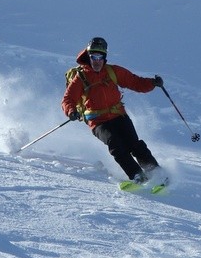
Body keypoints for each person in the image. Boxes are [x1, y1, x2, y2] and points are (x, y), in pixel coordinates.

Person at [61, 37, 166, 183]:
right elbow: (68, 99)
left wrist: (152, 83)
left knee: (134, 145)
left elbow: (135, 82)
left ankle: (157, 175)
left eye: (100, 57)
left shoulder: (113, 71)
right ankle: (137, 176)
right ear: (89, 56)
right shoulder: (81, 77)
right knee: (116, 145)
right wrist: (71, 111)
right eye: (93, 57)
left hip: (118, 115)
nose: (96, 60)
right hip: (98, 122)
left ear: (104, 57)